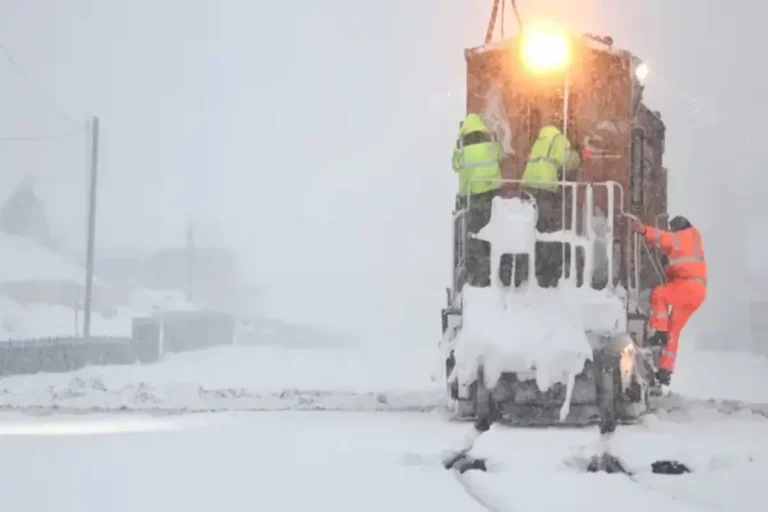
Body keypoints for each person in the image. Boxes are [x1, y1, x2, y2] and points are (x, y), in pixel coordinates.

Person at [632, 215, 707, 386]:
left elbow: (664, 238)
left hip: (688, 287)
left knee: (659, 294)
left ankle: (659, 332)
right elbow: (676, 267)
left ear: (678, 228)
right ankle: (665, 369)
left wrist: (644, 230)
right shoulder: (693, 241)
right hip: (697, 293)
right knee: (674, 330)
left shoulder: (684, 236)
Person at [519, 125, 583, 287]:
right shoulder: (559, 139)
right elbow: (569, 162)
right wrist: (579, 154)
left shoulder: (541, 138)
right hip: (544, 187)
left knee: (532, 228)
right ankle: (548, 275)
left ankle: (527, 269)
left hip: (528, 185)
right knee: (549, 230)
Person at [452, 113, 504, 287]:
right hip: (492, 195)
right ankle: (496, 273)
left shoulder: (461, 146)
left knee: (474, 235)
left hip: (472, 197)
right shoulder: (489, 142)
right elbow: (501, 154)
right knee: (494, 233)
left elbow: (455, 166)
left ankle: (478, 276)